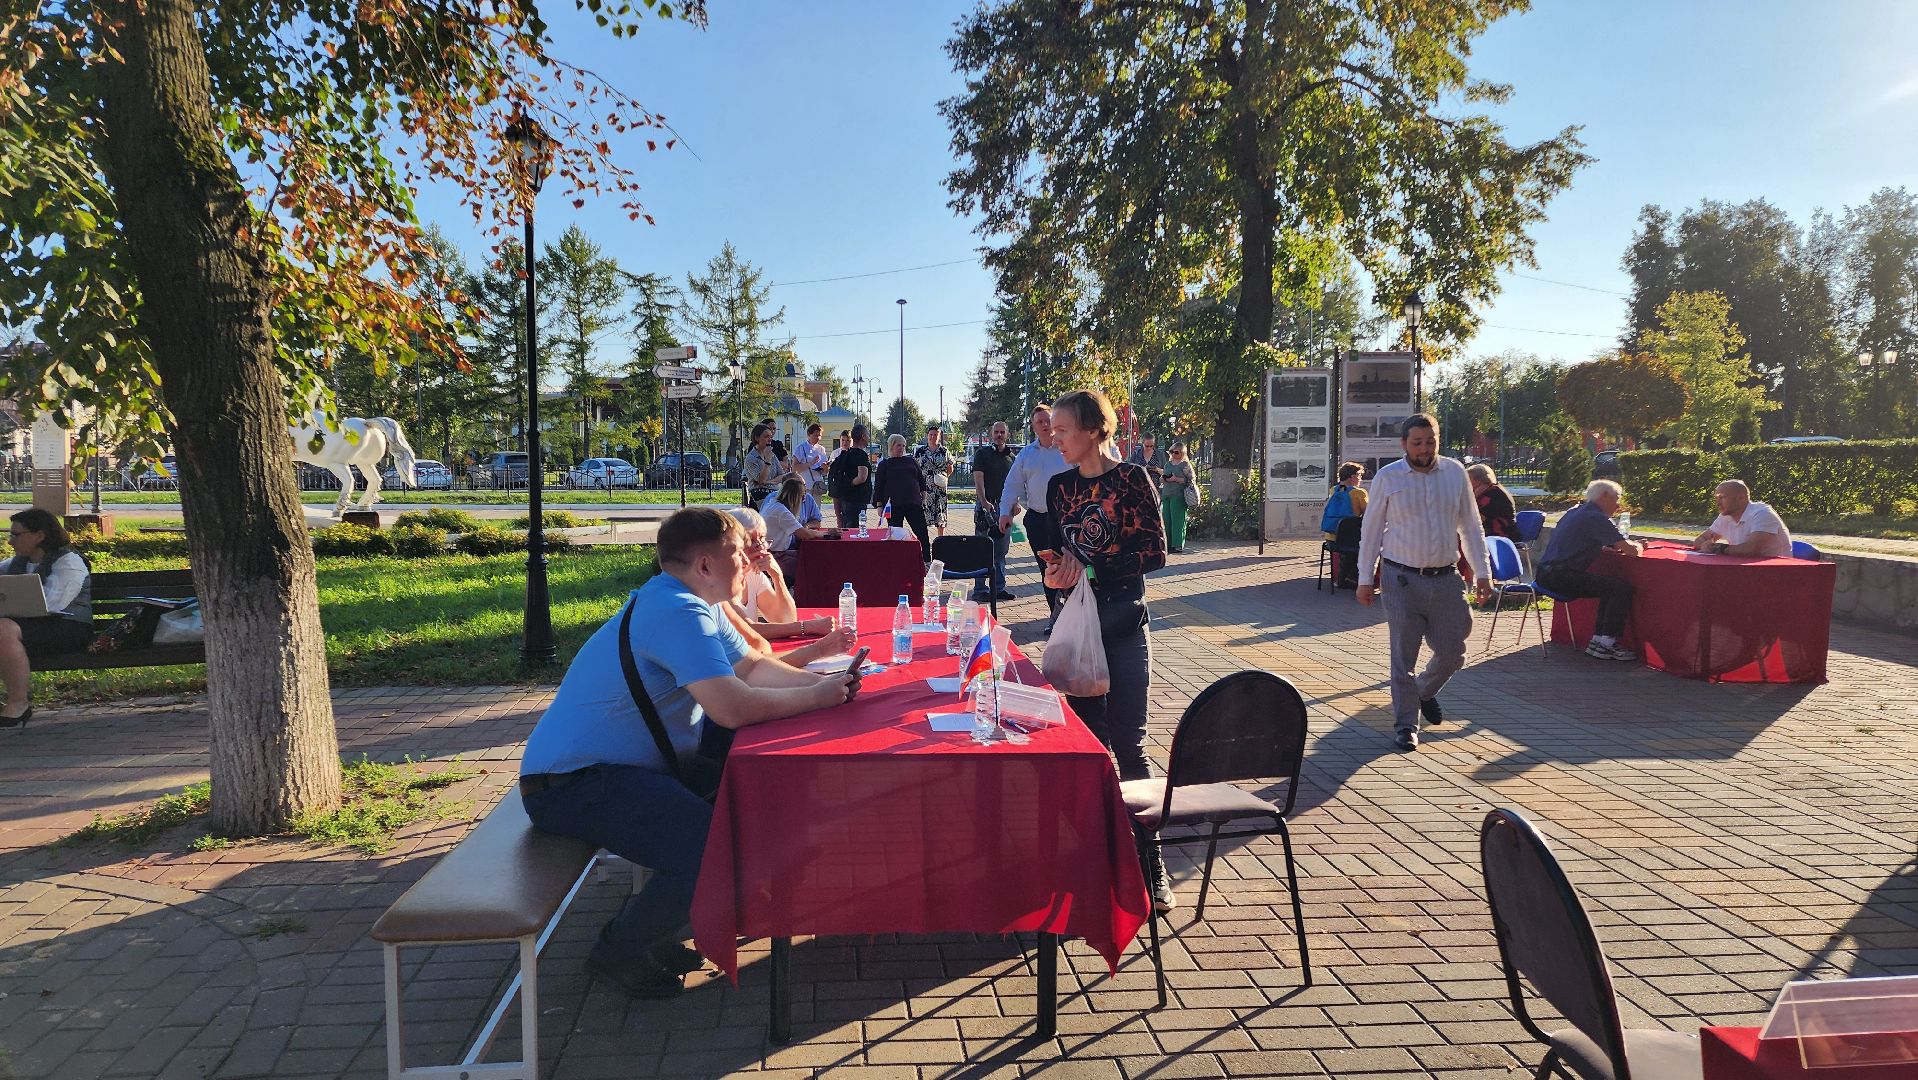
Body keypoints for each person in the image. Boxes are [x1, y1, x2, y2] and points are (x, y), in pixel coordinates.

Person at [518, 507, 861, 999]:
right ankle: (618, 951)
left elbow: (752, 670)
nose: (749, 564)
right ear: (704, 565)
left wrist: (827, 684)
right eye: (739, 556)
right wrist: (815, 696)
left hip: (608, 772)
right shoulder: (677, 610)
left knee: (737, 808)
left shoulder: (686, 600)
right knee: (708, 846)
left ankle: (665, 929)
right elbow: (731, 707)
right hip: (573, 784)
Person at [1041, 389, 1170, 908]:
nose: (1055, 439)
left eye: (1063, 430)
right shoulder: (1058, 486)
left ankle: (1149, 862)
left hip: (1122, 623)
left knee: (1129, 744)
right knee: (1090, 748)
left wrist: (1091, 568)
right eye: (1051, 430)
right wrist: (1057, 573)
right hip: (1077, 625)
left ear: (1094, 430)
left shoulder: (1133, 480)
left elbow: (1155, 553)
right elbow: (1061, 557)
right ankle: (1093, 857)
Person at [1354, 415, 1492, 752]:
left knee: (1452, 652)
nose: (1424, 449)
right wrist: (1363, 578)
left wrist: (1483, 572)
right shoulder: (1388, 478)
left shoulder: (1454, 473)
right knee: (1404, 656)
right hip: (1400, 578)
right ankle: (1405, 725)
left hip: (1445, 578)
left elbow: (1470, 527)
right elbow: (1371, 530)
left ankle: (1421, 693)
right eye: (1417, 443)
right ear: (1403, 444)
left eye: (1430, 442)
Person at [1, 508, 92, 726]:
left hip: (68, 627)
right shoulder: (13, 564)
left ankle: (18, 703)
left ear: (39, 536)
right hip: (26, 629)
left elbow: (53, 605)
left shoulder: (68, 562)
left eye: (16, 535)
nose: (10, 541)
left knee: (3, 629)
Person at [1536, 480, 1644, 661]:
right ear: (1603, 496)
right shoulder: (1596, 517)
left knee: (1609, 587)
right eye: (1616, 499)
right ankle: (1606, 643)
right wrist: (1639, 545)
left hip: (1545, 573)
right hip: (1562, 576)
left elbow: (1578, 540)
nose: (1618, 505)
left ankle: (1599, 641)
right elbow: (1631, 551)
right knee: (1620, 589)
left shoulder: (1574, 511)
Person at [723, 507, 839, 641]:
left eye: (761, 538)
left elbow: (785, 619)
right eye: (750, 540)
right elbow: (747, 630)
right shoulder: (718, 581)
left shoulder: (753, 576)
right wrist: (808, 626)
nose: (760, 546)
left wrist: (777, 576)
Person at [999, 405, 1070, 618]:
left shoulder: (1068, 449)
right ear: (1033, 427)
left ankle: (1072, 617)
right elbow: (1012, 485)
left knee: (1068, 568)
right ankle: (1055, 616)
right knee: (1047, 570)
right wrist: (1005, 512)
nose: (1045, 425)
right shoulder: (1027, 455)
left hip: (1067, 520)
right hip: (1039, 521)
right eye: (1040, 422)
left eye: (1048, 420)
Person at [969, 420, 1018, 602]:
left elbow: (1015, 483)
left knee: (1001, 551)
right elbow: (978, 480)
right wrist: (983, 502)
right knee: (983, 548)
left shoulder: (1012, 458)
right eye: (996, 432)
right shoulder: (982, 454)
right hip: (986, 507)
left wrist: (1016, 502)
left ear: (1007, 434)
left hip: (1005, 508)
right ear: (991, 434)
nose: (999, 435)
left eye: (1002, 432)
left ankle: (998, 588)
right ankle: (980, 589)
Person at [1692, 480, 1792, 558]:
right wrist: (1704, 545)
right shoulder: (1725, 516)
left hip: (1775, 573)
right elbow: (1700, 539)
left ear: (1741, 497)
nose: (1718, 503)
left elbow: (1751, 549)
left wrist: (1719, 548)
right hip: (1745, 569)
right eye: (1716, 498)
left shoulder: (1762, 514)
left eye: (1722, 497)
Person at [762, 475, 838, 578]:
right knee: (814, 564)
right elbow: (805, 534)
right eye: (802, 495)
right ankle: (806, 592)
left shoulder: (773, 505)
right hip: (775, 556)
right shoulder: (781, 511)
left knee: (810, 556)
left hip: (774, 552)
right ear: (796, 496)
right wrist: (827, 534)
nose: (804, 499)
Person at [873, 433, 932, 562]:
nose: (901, 448)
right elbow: (878, 486)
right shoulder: (885, 464)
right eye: (898, 445)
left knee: (922, 533)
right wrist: (879, 505)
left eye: (903, 445)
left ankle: (927, 560)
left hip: (913, 503)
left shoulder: (911, 460)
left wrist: (924, 498)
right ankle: (897, 561)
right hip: (893, 506)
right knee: (896, 536)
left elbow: (921, 480)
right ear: (891, 446)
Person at [914, 424, 957, 537]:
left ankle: (940, 541)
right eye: (931, 435)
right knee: (923, 514)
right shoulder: (920, 451)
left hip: (940, 488)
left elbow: (950, 467)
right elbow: (915, 468)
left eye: (935, 435)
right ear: (927, 436)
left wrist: (943, 477)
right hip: (924, 488)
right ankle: (923, 540)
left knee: (940, 513)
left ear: (939, 436)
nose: (933, 437)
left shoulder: (944, 451)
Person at [827, 425, 873, 529]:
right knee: (856, 530)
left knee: (846, 529)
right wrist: (850, 483)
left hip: (845, 499)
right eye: (868, 435)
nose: (869, 438)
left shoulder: (845, 454)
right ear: (863, 436)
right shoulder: (861, 455)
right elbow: (862, 477)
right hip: (857, 499)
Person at [1466, 463, 1518, 543]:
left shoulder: (1493, 494)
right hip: (1491, 533)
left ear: (1478, 480)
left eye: (1468, 479)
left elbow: (1477, 518)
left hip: (1501, 535)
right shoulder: (1488, 490)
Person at [1160, 441, 1197, 553]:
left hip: (1178, 495)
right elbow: (1161, 479)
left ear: (1182, 453)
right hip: (1166, 495)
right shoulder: (1167, 464)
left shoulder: (1185, 465)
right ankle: (1168, 544)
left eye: (1176, 452)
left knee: (1178, 521)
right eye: (1171, 452)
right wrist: (1164, 478)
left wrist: (1176, 479)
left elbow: (1191, 480)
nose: (1173, 454)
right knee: (1166, 520)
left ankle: (1177, 544)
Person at [1320, 462, 1368, 541]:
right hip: (1350, 538)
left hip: (1331, 538)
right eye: (1359, 476)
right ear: (1353, 477)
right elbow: (1367, 514)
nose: (1360, 480)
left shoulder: (1333, 490)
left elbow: (1344, 489)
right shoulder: (1359, 493)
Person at [743, 423, 784, 506]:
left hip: (775, 494)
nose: (770, 440)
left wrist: (769, 482)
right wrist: (767, 461)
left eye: (771, 437)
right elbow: (761, 480)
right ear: (757, 438)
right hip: (760, 498)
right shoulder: (751, 458)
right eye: (766, 437)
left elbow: (782, 475)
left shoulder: (772, 455)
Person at [790, 423, 830, 498]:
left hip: (817, 487)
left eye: (819, 435)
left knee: (816, 509)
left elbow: (825, 472)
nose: (818, 438)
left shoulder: (821, 449)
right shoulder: (800, 448)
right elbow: (794, 468)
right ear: (809, 434)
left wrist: (825, 468)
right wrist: (811, 463)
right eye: (815, 435)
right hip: (804, 486)